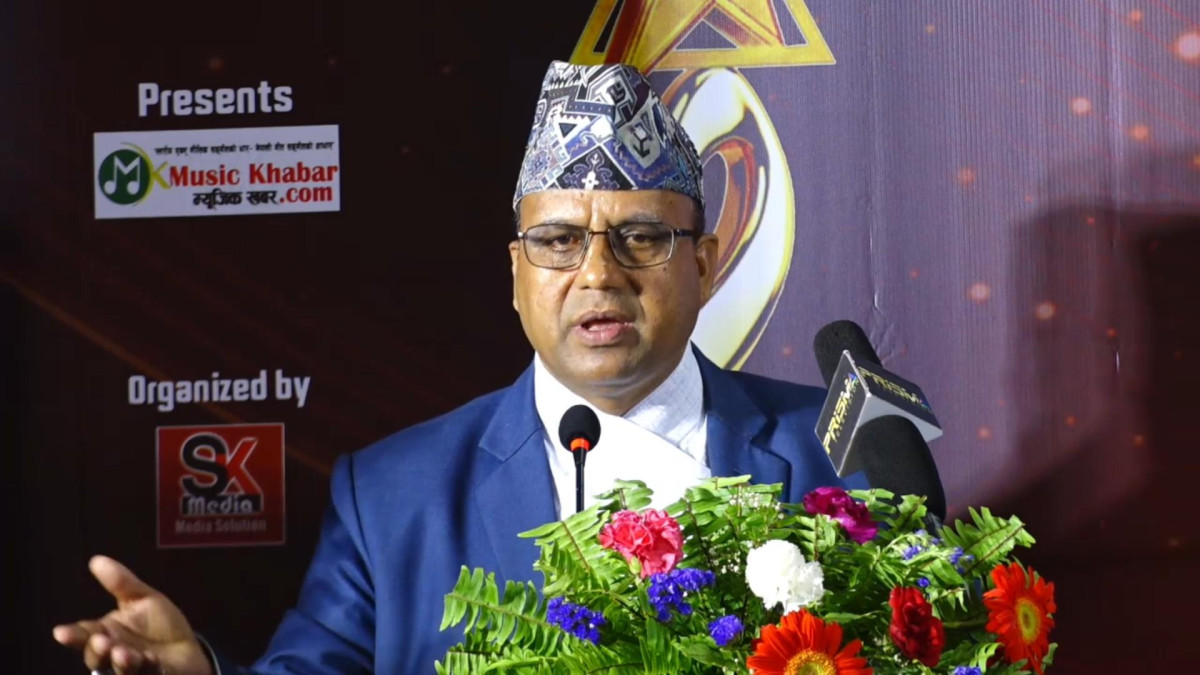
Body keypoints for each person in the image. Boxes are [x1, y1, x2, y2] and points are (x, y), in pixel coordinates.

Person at [52, 60, 844, 674]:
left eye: (641, 237)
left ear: (704, 264)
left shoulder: (839, 449)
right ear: (516, 274)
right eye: (558, 241)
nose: (598, 274)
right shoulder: (392, 496)